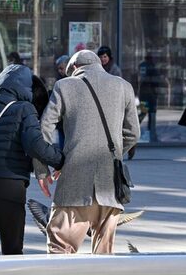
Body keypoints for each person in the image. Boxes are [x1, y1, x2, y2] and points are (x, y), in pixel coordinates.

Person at [36, 50, 140, 255]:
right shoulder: (124, 86)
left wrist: (44, 168)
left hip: (75, 184)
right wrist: (113, 154)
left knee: (60, 248)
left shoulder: (64, 86)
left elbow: (44, 128)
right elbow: (133, 133)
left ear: (74, 68)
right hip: (110, 187)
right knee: (103, 254)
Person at [0, 64, 64, 256]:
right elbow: (36, 145)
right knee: (12, 250)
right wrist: (61, 160)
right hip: (8, 189)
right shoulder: (24, 109)